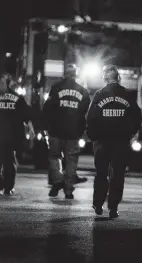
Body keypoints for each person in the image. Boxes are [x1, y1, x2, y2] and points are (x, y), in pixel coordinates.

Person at [86, 64, 142, 218]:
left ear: (104, 78)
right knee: (117, 174)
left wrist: (93, 136)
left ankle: (98, 204)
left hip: (102, 141)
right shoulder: (127, 94)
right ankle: (113, 207)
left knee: (101, 174)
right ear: (118, 77)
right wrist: (131, 133)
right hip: (121, 141)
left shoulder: (99, 94)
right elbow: (137, 116)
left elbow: (91, 117)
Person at [0, 73, 35, 196]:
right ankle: (8, 187)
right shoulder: (16, 97)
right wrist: (31, 129)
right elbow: (26, 115)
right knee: (8, 163)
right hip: (10, 136)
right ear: (10, 83)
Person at [42, 64, 91, 199]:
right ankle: (68, 190)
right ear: (75, 74)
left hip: (56, 130)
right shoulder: (82, 91)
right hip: (73, 132)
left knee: (54, 157)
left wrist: (47, 125)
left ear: (64, 74)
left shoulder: (56, 88)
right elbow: (86, 112)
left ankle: (57, 181)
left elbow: (47, 108)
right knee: (71, 160)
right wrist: (83, 129)